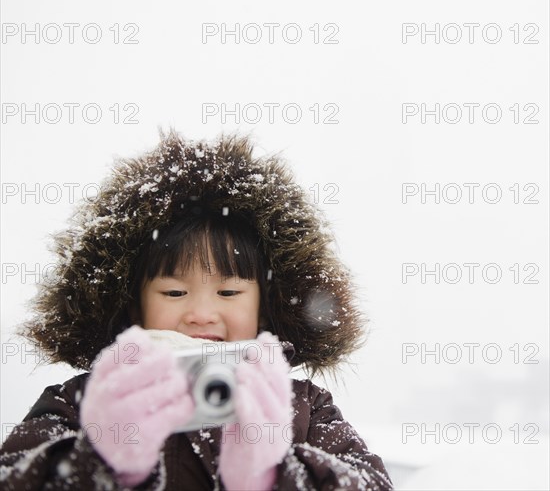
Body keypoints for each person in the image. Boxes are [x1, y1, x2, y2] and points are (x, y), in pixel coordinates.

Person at [0, 131, 393, 490]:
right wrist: (100, 462)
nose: (201, 313)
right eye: (174, 292)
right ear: (135, 307)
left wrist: (273, 475)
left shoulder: (304, 407)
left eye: (227, 291)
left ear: (263, 308)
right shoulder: (80, 401)